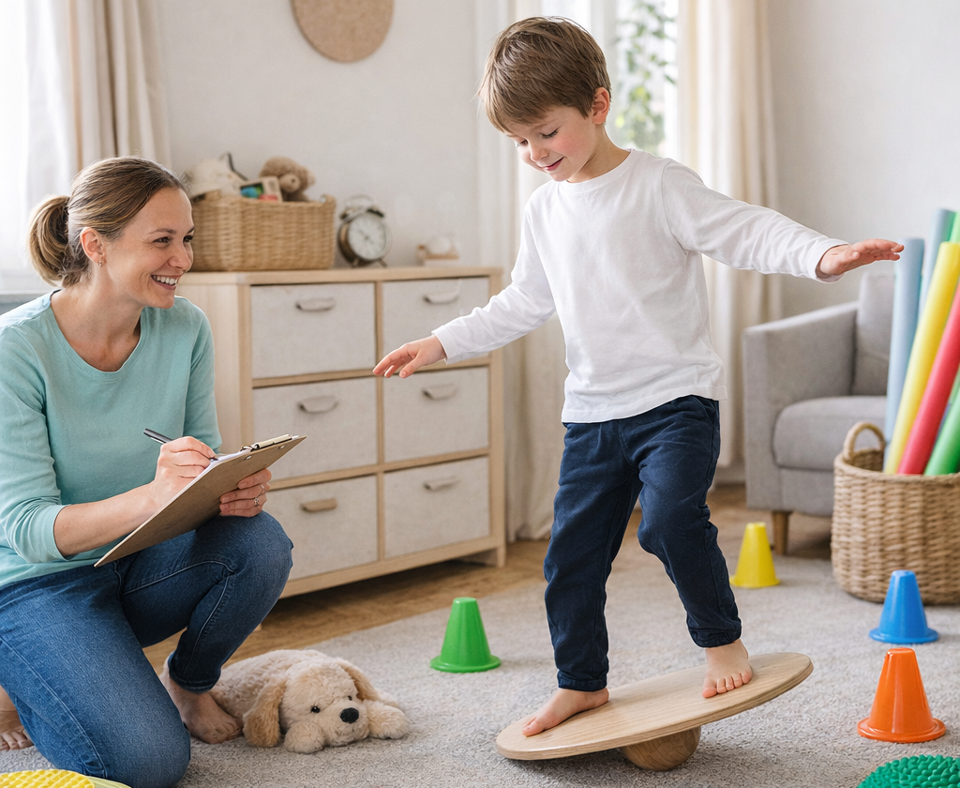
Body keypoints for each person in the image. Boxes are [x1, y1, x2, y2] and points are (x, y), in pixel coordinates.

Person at [373, 17, 903, 738]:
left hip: (676, 404)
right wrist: (441, 341)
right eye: (520, 141)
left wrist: (823, 254)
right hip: (593, 414)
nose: (534, 153)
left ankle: (722, 641)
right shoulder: (544, 210)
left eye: (546, 133)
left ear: (597, 105)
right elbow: (524, 301)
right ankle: (581, 682)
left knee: (670, 521)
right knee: (570, 559)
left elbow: (744, 229)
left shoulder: (658, 185)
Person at [0, 157, 293, 787]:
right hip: (36, 584)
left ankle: (187, 684)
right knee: (146, 764)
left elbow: (200, 461)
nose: (182, 259)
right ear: (95, 245)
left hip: (137, 560)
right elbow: (26, 529)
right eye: (161, 241)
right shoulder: (14, 350)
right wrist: (155, 494)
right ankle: (23, 676)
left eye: (186, 238)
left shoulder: (184, 326)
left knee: (259, 542)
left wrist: (227, 488)